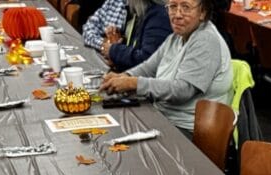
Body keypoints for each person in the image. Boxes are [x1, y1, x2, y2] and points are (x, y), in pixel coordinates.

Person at [99, 0, 232, 135]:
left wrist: (133, 83)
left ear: (203, 12)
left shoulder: (206, 40)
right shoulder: (176, 38)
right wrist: (124, 76)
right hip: (163, 118)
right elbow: (148, 68)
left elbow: (182, 90)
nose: (177, 14)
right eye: (173, 7)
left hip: (188, 131)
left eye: (186, 7)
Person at [83, 0, 171, 72]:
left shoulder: (159, 16)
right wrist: (114, 53)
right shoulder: (140, 11)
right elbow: (134, 50)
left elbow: (147, 61)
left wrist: (113, 50)